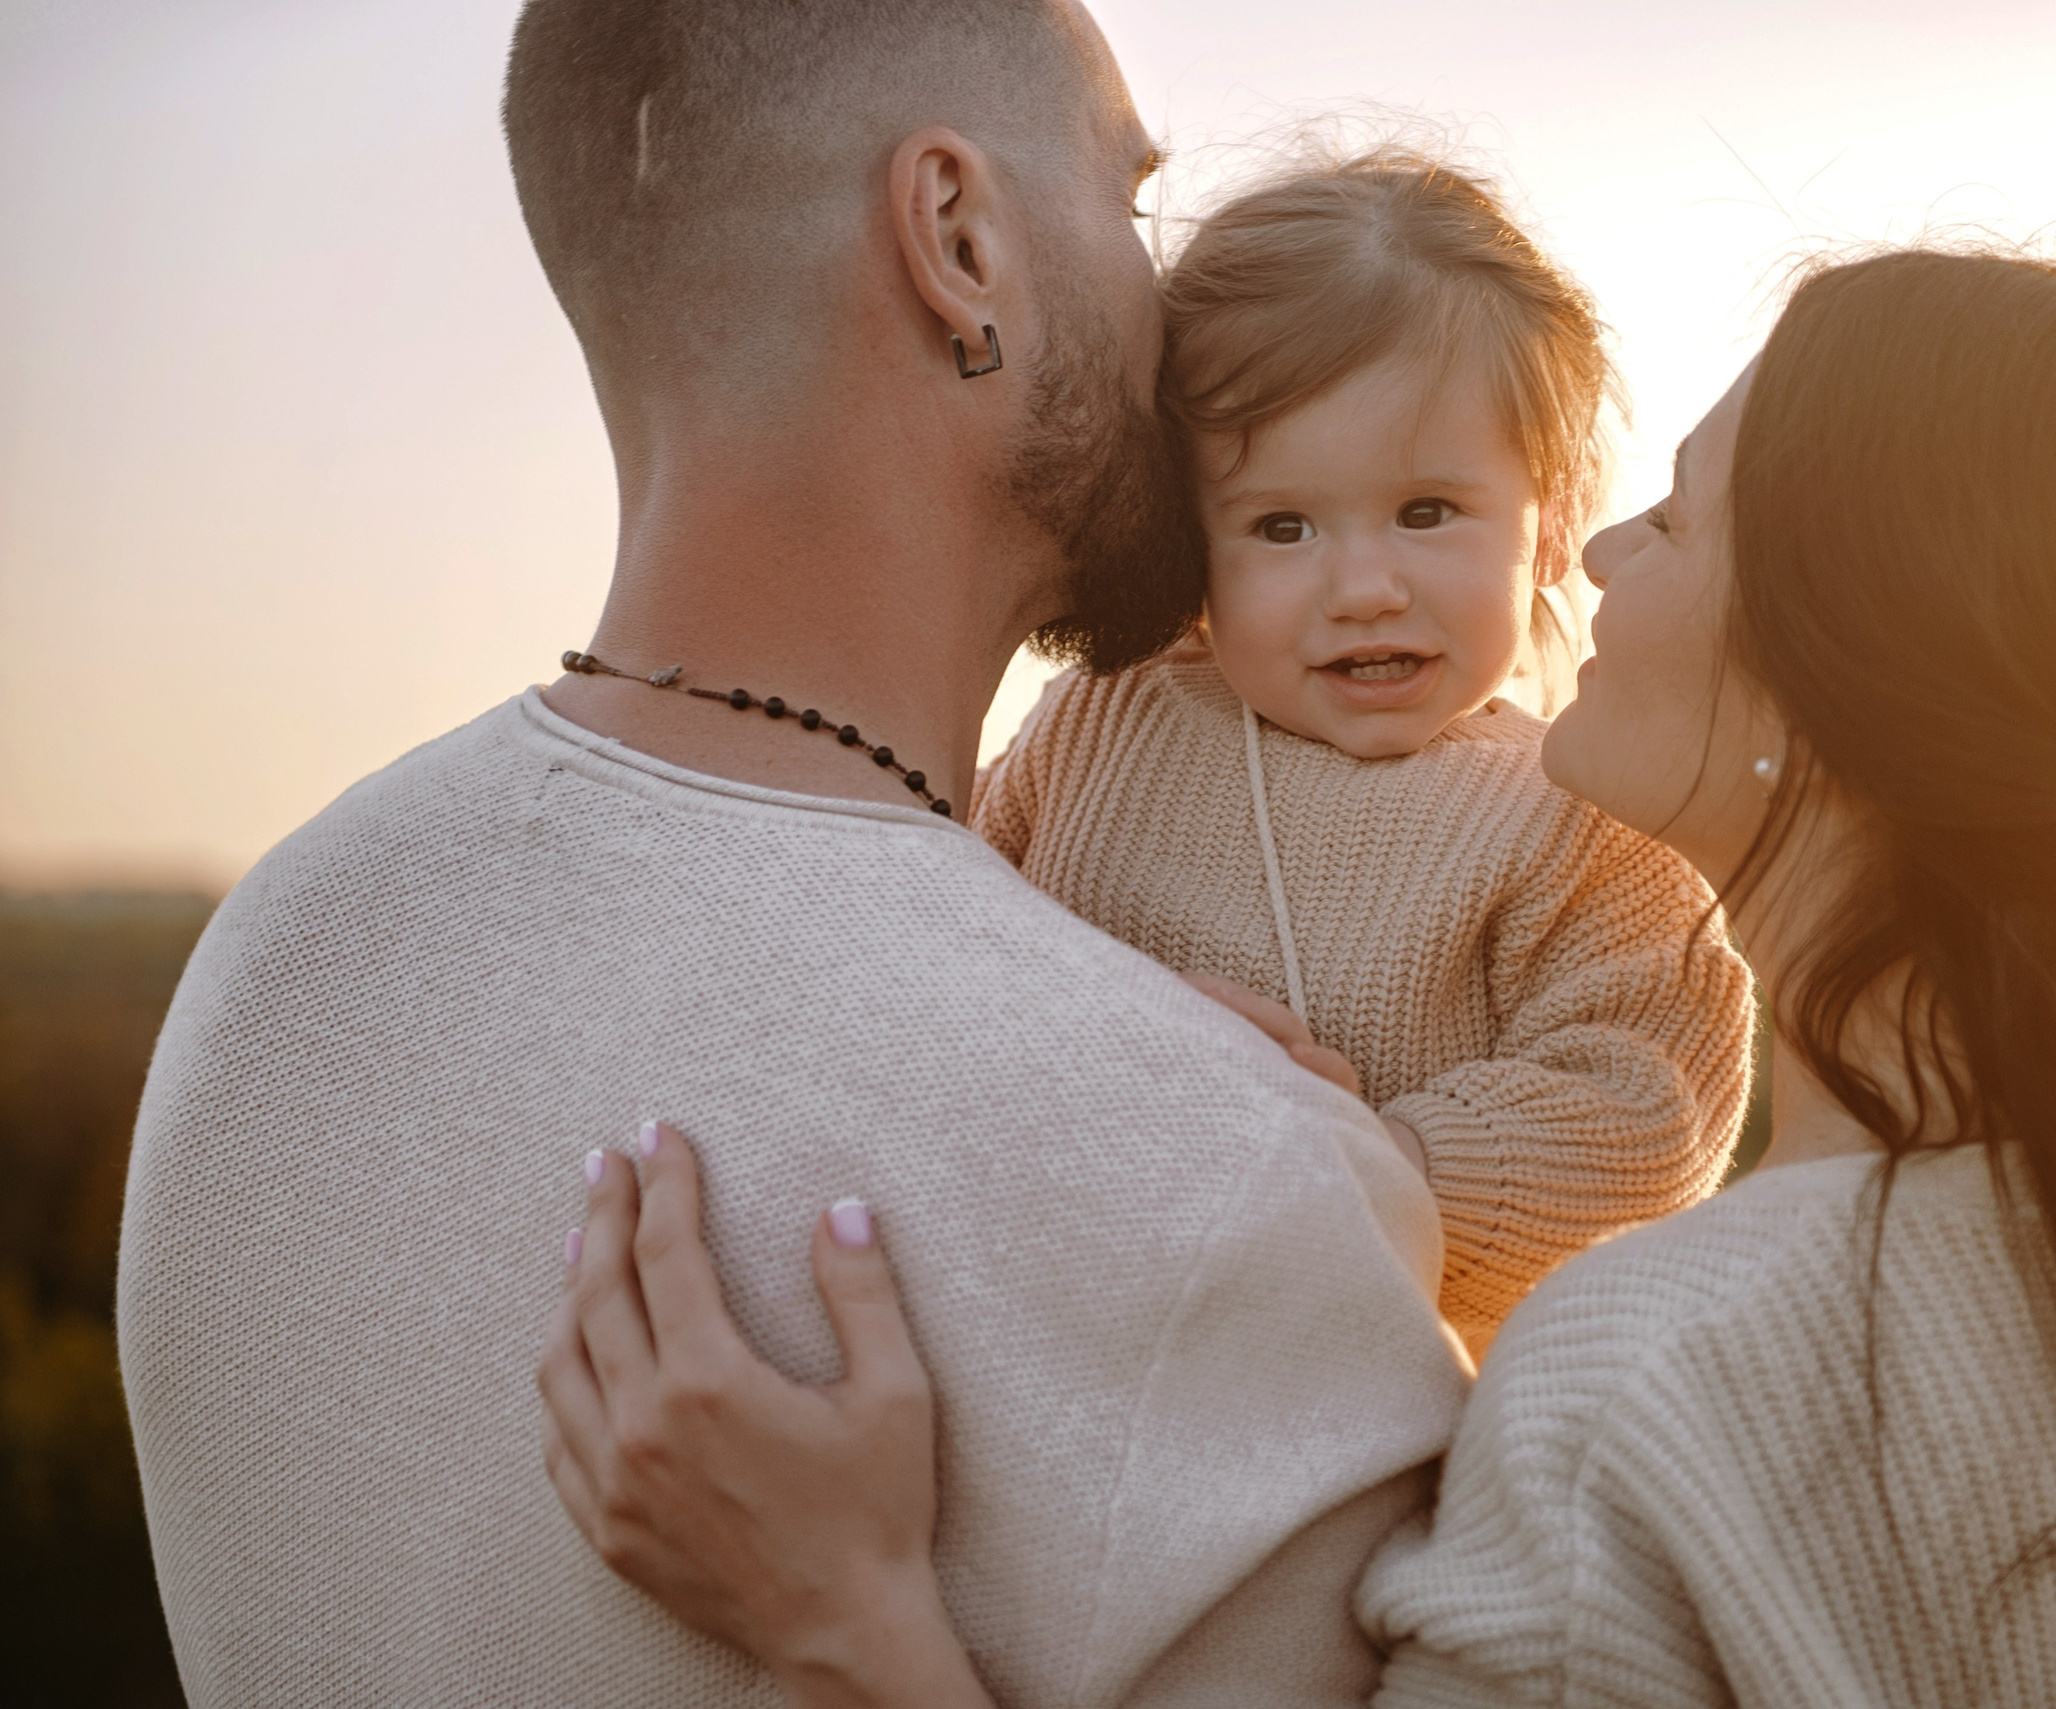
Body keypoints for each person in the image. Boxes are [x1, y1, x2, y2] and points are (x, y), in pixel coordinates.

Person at [543, 249, 2056, 1707]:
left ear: (1828, 676)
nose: (1596, 553)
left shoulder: (1648, 1382)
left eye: (1673, 513)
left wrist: (846, 1617)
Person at [115, 3, 1473, 1704]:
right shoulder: (1224, 1178)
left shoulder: (268, 962)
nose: (1173, 314)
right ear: (960, 239)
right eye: (1126, 207)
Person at [971, 152, 1755, 1357]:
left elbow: (1643, 1102)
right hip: (1051, 1315)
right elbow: (957, 932)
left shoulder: (1579, 818)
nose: (1366, 588)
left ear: (1543, 518)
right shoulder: (1101, 724)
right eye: (1282, 526)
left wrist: (1377, 1158)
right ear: (1190, 544)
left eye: (1427, 511)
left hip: (1357, 1383)